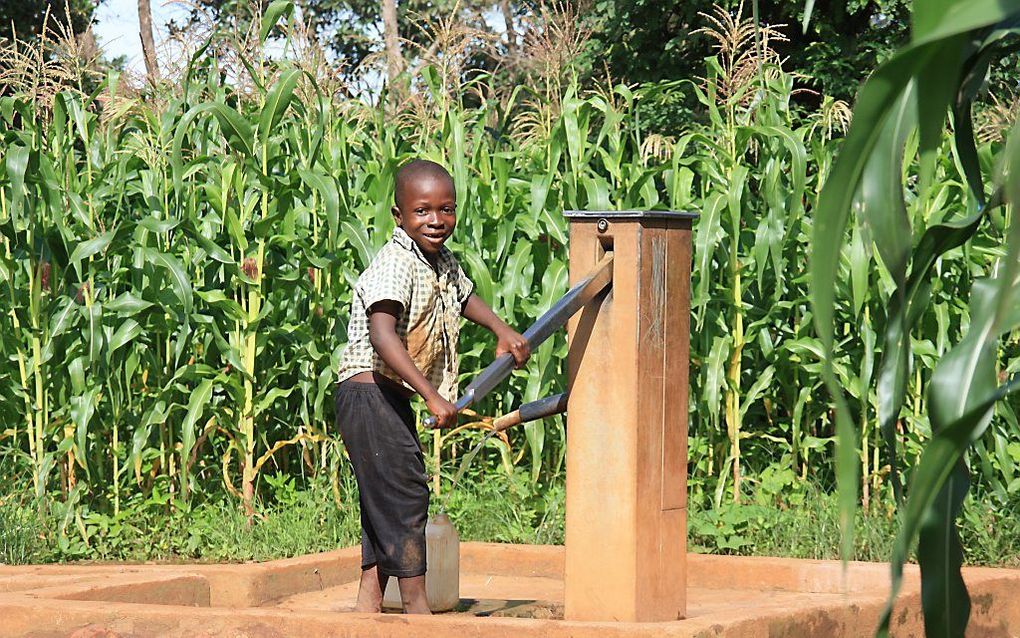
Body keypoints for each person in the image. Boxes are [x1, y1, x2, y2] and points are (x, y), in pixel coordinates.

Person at [334, 159, 531, 614]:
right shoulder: (396, 262)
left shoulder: (440, 260)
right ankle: (417, 607)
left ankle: (368, 603)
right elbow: (383, 336)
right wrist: (431, 394)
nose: (436, 221)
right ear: (399, 216)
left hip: (388, 395)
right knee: (406, 494)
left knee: (384, 496)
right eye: (423, 211)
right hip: (367, 392)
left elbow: (463, 297)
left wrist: (501, 329)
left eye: (447, 209)